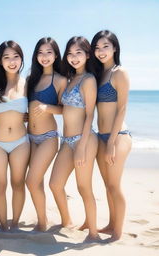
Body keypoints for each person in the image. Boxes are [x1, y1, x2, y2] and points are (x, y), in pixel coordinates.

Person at [49, 36, 100, 241]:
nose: (73, 57)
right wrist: (44, 110)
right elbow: (65, 110)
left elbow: (89, 115)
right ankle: (67, 221)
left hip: (84, 140)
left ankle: (93, 234)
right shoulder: (71, 80)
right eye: (70, 53)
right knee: (54, 184)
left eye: (78, 53)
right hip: (66, 141)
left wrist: (81, 146)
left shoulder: (89, 79)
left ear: (87, 55)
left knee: (83, 187)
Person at [0, 41, 30, 231]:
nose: (12, 61)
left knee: (18, 183)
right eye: (7, 57)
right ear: (0, 61)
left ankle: (16, 223)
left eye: (16, 56)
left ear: (21, 59)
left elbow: (36, 109)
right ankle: (3, 225)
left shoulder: (28, 83)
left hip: (21, 142)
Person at [90, 30, 132, 241]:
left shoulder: (119, 73)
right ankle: (111, 223)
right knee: (107, 185)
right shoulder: (98, 75)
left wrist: (111, 142)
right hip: (101, 135)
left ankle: (118, 232)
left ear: (114, 48)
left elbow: (122, 108)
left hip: (119, 136)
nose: (100, 51)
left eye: (105, 46)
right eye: (97, 48)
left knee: (115, 185)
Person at [26, 37, 67, 231]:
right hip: (30, 138)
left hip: (48, 137)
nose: (44, 57)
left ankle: (46, 222)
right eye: (40, 53)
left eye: (49, 52)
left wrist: (46, 107)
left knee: (31, 180)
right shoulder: (30, 79)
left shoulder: (60, 80)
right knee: (37, 181)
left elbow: (64, 109)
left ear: (56, 55)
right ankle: (43, 219)